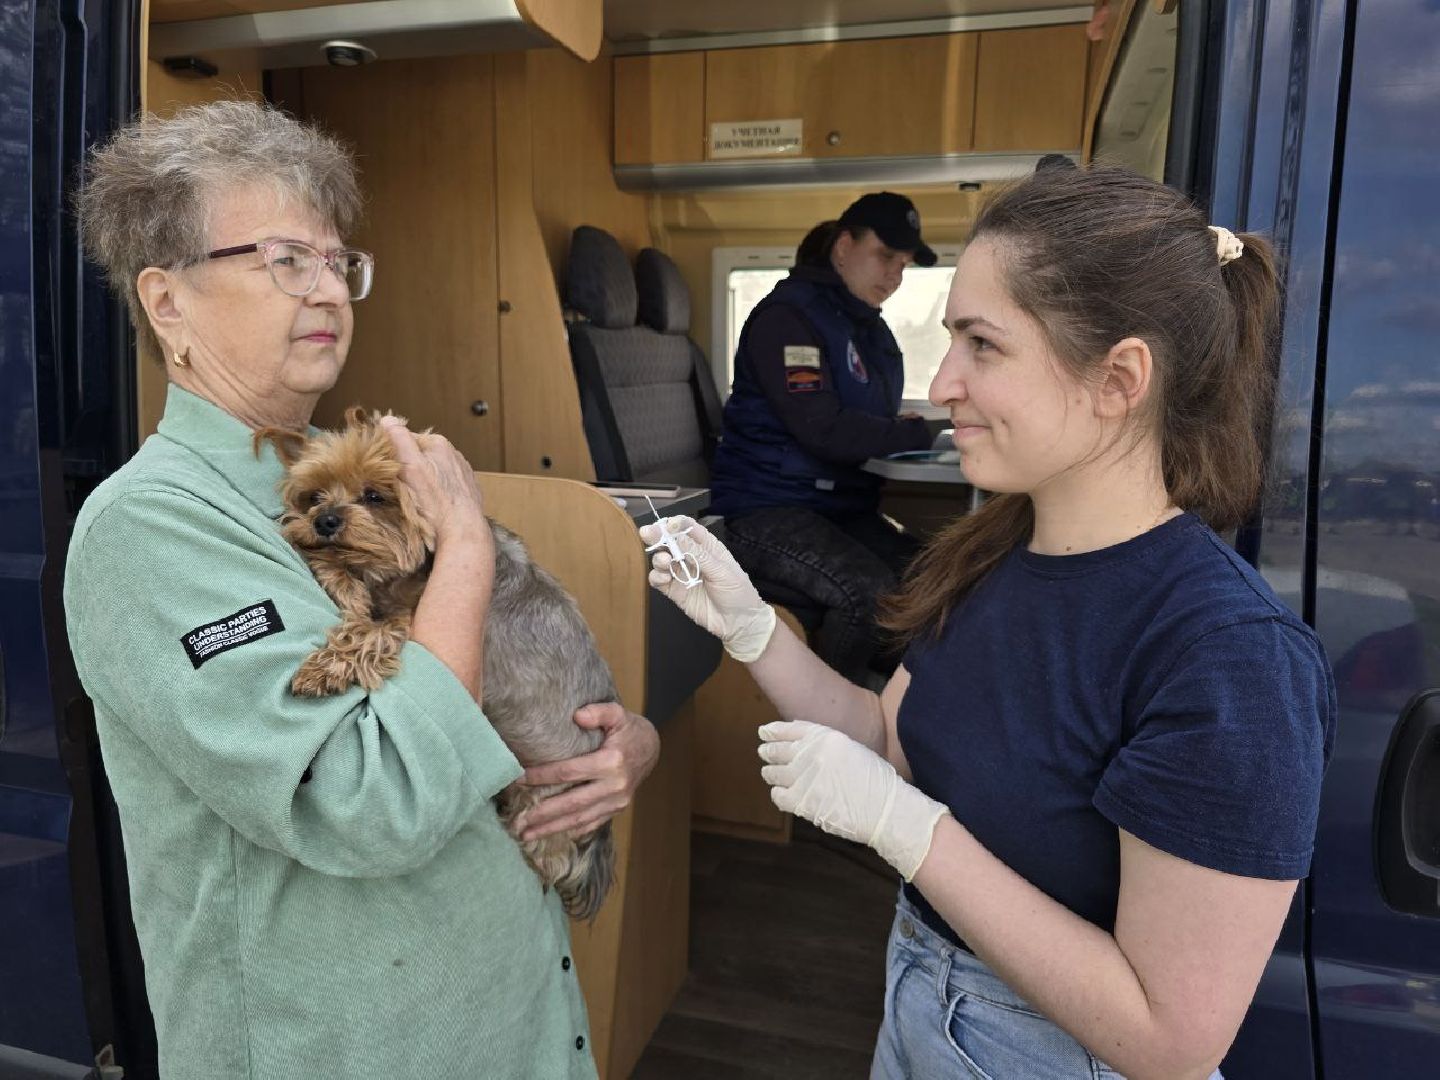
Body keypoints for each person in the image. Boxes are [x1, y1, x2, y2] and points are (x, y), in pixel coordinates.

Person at [644, 165, 1335, 1078]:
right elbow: (883, 737)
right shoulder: (992, 555)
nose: (943, 381)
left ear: (1118, 378)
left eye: (982, 344)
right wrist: (752, 631)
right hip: (919, 1004)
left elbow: (1170, 1038)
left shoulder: (1225, 658)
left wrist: (910, 833)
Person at [66, 100, 657, 1079]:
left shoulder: (320, 476)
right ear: (166, 301)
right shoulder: (153, 526)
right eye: (284, 260)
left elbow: (487, 686)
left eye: (340, 263)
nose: (330, 290)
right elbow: (367, 800)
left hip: (504, 1027)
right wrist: (464, 550)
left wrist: (617, 743)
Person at [709, 191, 940, 684]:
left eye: (903, 264)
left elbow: (866, 420)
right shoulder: (789, 318)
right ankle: (831, 727)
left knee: (933, 572)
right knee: (865, 591)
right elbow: (824, 428)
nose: (895, 274)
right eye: (885, 255)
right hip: (769, 509)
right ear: (842, 246)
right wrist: (916, 432)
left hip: (840, 510)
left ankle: (898, 698)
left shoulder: (866, 329)